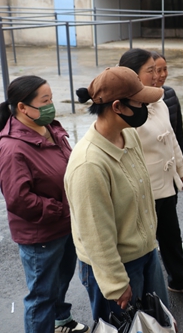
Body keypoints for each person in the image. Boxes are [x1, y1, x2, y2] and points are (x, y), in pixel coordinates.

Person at [64, 67, 169, 322]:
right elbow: (95, 233)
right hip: (117, 266)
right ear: (118, 107)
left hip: (146, 253)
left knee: (158, 323)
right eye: (140, 103)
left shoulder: (128, 135)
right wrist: (115, 283)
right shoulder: (89, 164)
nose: (145, 107)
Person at [0, 76, 89, 333]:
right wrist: (61, 210)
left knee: (60, 280)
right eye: (45, 101)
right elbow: (18, 199)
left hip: (65, 225)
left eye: (51, 99)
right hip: (41, 234)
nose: (51, 106)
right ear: (22, 107)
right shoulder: (12, 147)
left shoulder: (50, 128)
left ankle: (60, 319)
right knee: (41, 295)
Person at [119, 48, 183, 297]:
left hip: (165, 185)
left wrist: (181, 170)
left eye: (159, 70)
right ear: (132, 75)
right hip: (141, 189)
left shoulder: (159, 100)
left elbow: (171, 138)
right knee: (141, 244)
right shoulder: (123, 110)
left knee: (170, 234)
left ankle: (180, 279)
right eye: (151, 71)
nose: (158, 76)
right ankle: (137, 293)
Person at [152, 51, 183, 255]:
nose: (162, 75)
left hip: (171, 162)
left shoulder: (169, 95)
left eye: (165, 69)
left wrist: (181, 165)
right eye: (157, 70)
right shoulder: (138, 103)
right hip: (153, 169)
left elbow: (177, 132)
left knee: (171, 206)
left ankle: (171, 242)